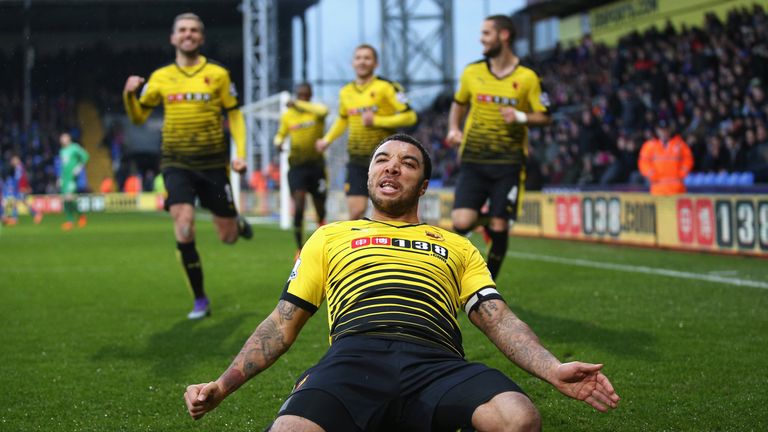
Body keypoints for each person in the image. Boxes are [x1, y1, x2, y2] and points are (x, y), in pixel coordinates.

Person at [184, 133, 620, 431]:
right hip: (354, 359)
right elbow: (282, 323)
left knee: (518, 418)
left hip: (436, 362)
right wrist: (222, 385)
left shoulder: (456, 245)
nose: (392, 169)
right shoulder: (330, 235)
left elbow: (497, 318)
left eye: (407, 163)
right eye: (382, 161)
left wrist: (552, 369)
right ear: (369, 176)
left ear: (424, 184)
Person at [122, 12, 253, 320]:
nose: (188, 34)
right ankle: (200, 299)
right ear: (173, 37)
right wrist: (129, 94)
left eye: (194, 30)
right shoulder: (161, 77)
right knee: (183, 225)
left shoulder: (219, 74)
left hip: (212, 164)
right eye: (182, 30)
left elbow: (234, 114)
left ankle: (236, 220)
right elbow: (139, 116)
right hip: (176, 162)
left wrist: (241, 153)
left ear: (201, 37)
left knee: (229, 236)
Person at [446, 15, 552, 280]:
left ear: (504, 35)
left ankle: (485, 287)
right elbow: (459, 103)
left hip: (508, 164)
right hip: (474, 159)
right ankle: (486, 221)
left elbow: (545, 115)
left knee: (500, 223)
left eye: (486, 33)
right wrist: (454, 128)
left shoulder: (528, 78)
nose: (481, 39)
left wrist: (520, 116)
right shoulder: (472, 72)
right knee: (461, 222)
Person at [315, 44, 417, 220]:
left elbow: (410, 116)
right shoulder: (345, 92)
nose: (362, 62)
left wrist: (377, 120)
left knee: (390, 211)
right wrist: (327, 140)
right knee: (355, 211)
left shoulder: (387, 87)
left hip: (385, 159)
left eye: (367, 58)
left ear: (375, 63)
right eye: (358, 58)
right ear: (353, 63)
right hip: (357, 159)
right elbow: (343, 119)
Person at [274, 83, 328, 256]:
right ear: (297, 95)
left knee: (320, 208)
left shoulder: (316, 112)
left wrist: (298, 103)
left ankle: (323, 239)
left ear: (310, 96)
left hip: (317, 166)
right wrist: (278, 142)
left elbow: (323, 111)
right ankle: (299, 246)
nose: (303, 98)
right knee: (298, 206)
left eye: (306, 95)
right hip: (296, 167)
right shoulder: (288, 116)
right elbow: (280, 134)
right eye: (300, 95)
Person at [637, 120, 694, 195]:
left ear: (670, 130)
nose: (663, 132)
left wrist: (682, 173)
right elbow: (643, 163)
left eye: (666, 130)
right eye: (661, 130)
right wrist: (651, 174)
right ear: (657, 130)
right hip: (658, 189)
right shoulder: (650, 146)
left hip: (677, 189)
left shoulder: (680, 144)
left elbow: (688, 159)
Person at [58, 132, 89, 230]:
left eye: (64, 138)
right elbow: (62, 166)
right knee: (66, 200)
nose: (62, 140)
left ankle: (77, 217)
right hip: (65, 178)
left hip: (72, 178)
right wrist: (60, 178)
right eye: (61, 138)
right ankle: (71, 220)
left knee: (69, 197)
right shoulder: (62, 151)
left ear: (69, 138)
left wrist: (79, 167)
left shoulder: (75, 147)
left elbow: (86, 156)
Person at [2, 155, 43, 225]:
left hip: (20, 188)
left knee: (20, 201)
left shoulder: (19, 168)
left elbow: (20, 179)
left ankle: (35, 214)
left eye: (13, 160)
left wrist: (24, 187)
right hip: (19, 188)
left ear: (17, 160)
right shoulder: (19, 168)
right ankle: (34, 214)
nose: (12, 162)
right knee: (20, 202)